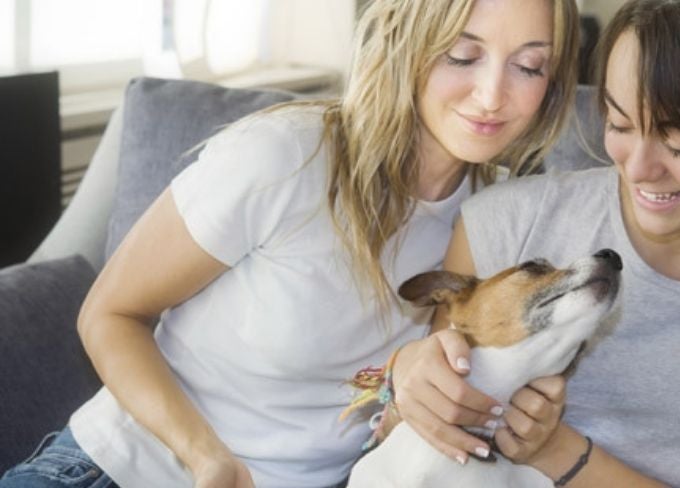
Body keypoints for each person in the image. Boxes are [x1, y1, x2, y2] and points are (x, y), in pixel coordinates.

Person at [0, 1, 580, 487]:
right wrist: (207, 457)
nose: (492, 95)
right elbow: (108, 313)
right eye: (463, 55)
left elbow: (406, 414)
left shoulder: (500, 220)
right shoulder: (285, 156)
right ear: (409, 43)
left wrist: (526, 420)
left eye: (529, 66)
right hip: (122, 469)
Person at [390, 0, 680, 487]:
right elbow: (410, 445)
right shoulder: (507, 223)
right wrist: (403, 380)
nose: (639, 168)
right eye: (619, 125)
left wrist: (561, 453)